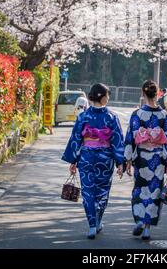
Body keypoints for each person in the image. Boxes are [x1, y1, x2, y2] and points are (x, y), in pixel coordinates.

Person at [62, 83, 124, 239]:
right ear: (102, 98)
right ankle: (98, 221)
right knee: (102, 192)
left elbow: (76, 139)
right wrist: (120, 162)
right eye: (107, 96)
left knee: (88, 192)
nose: (108, 98)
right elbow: (117, 141)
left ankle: (91, 225)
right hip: (105, 159)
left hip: (86, 158)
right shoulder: (111, 117)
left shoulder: (83, 117)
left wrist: (73, 160)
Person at [124, 79, 167, 241]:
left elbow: (131, 138)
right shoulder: (164, 115)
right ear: (157, 94)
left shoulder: (137, 114)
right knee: (155, 191)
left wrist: (127, 160)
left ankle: (140, 221)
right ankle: (147, 228)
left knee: (140, 189)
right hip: (158, 159)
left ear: (143, 93)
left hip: (141, 157)